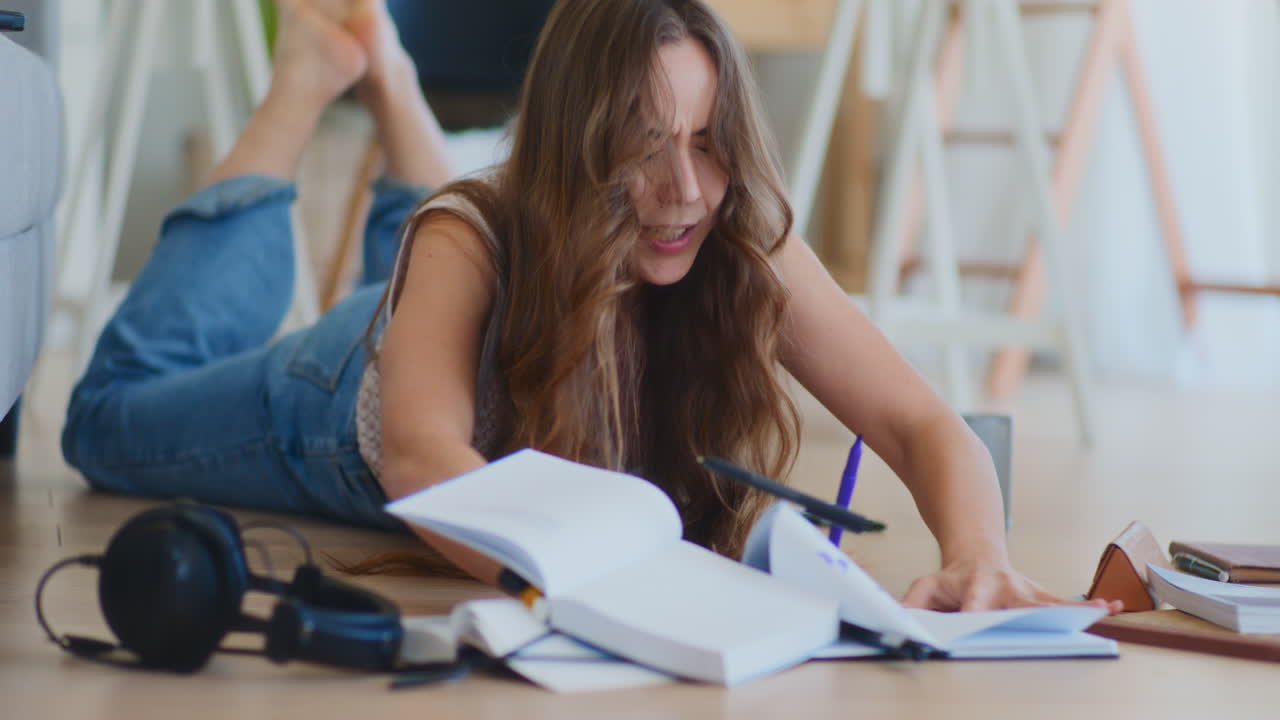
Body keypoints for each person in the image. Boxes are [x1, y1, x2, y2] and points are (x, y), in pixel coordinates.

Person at [62, 0, 1119, 613]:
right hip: (339, 397)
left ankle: (391, 85)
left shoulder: (733, 225)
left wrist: (979, 554)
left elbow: (921, 421)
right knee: (110, 415)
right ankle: (306, 83)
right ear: (573, 146)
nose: (682, 191)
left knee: (444, 258)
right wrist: (612, 568)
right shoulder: (472, 241)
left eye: (706, 140)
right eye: (638, 146)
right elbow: (425, 462)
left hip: (475, 315)